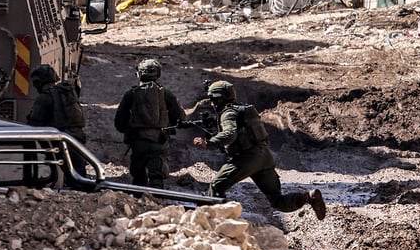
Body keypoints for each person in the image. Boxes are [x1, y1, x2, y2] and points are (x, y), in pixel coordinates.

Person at [191, 80, 327, 220]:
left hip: (247, 158)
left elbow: (230, 134)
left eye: (213, 99)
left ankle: (216, 222)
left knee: (217, 185)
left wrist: (208, 143)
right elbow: (240, 128)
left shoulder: (228, 113)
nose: (212, 103)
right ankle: (309, 197)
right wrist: (215, 124)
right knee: (277, 200)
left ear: (220, 98)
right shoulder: (241, 109)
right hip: (265, 156)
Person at [113, 59, 186, 189]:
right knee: (157, 177)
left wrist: (129, 131)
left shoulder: (131, 94)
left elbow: (119, 122)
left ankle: (139, 204)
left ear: (139, 74)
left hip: (138, 142)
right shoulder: (166, 93)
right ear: (158, 74)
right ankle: (158, 203)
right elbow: (180, 117)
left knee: (139, 178)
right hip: (160, 141)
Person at [26, 64, 87, 142]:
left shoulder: (44, 98)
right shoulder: (69, 91)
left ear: (39, 83)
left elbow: (33, 127)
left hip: (59, 142)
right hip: (77, 141)